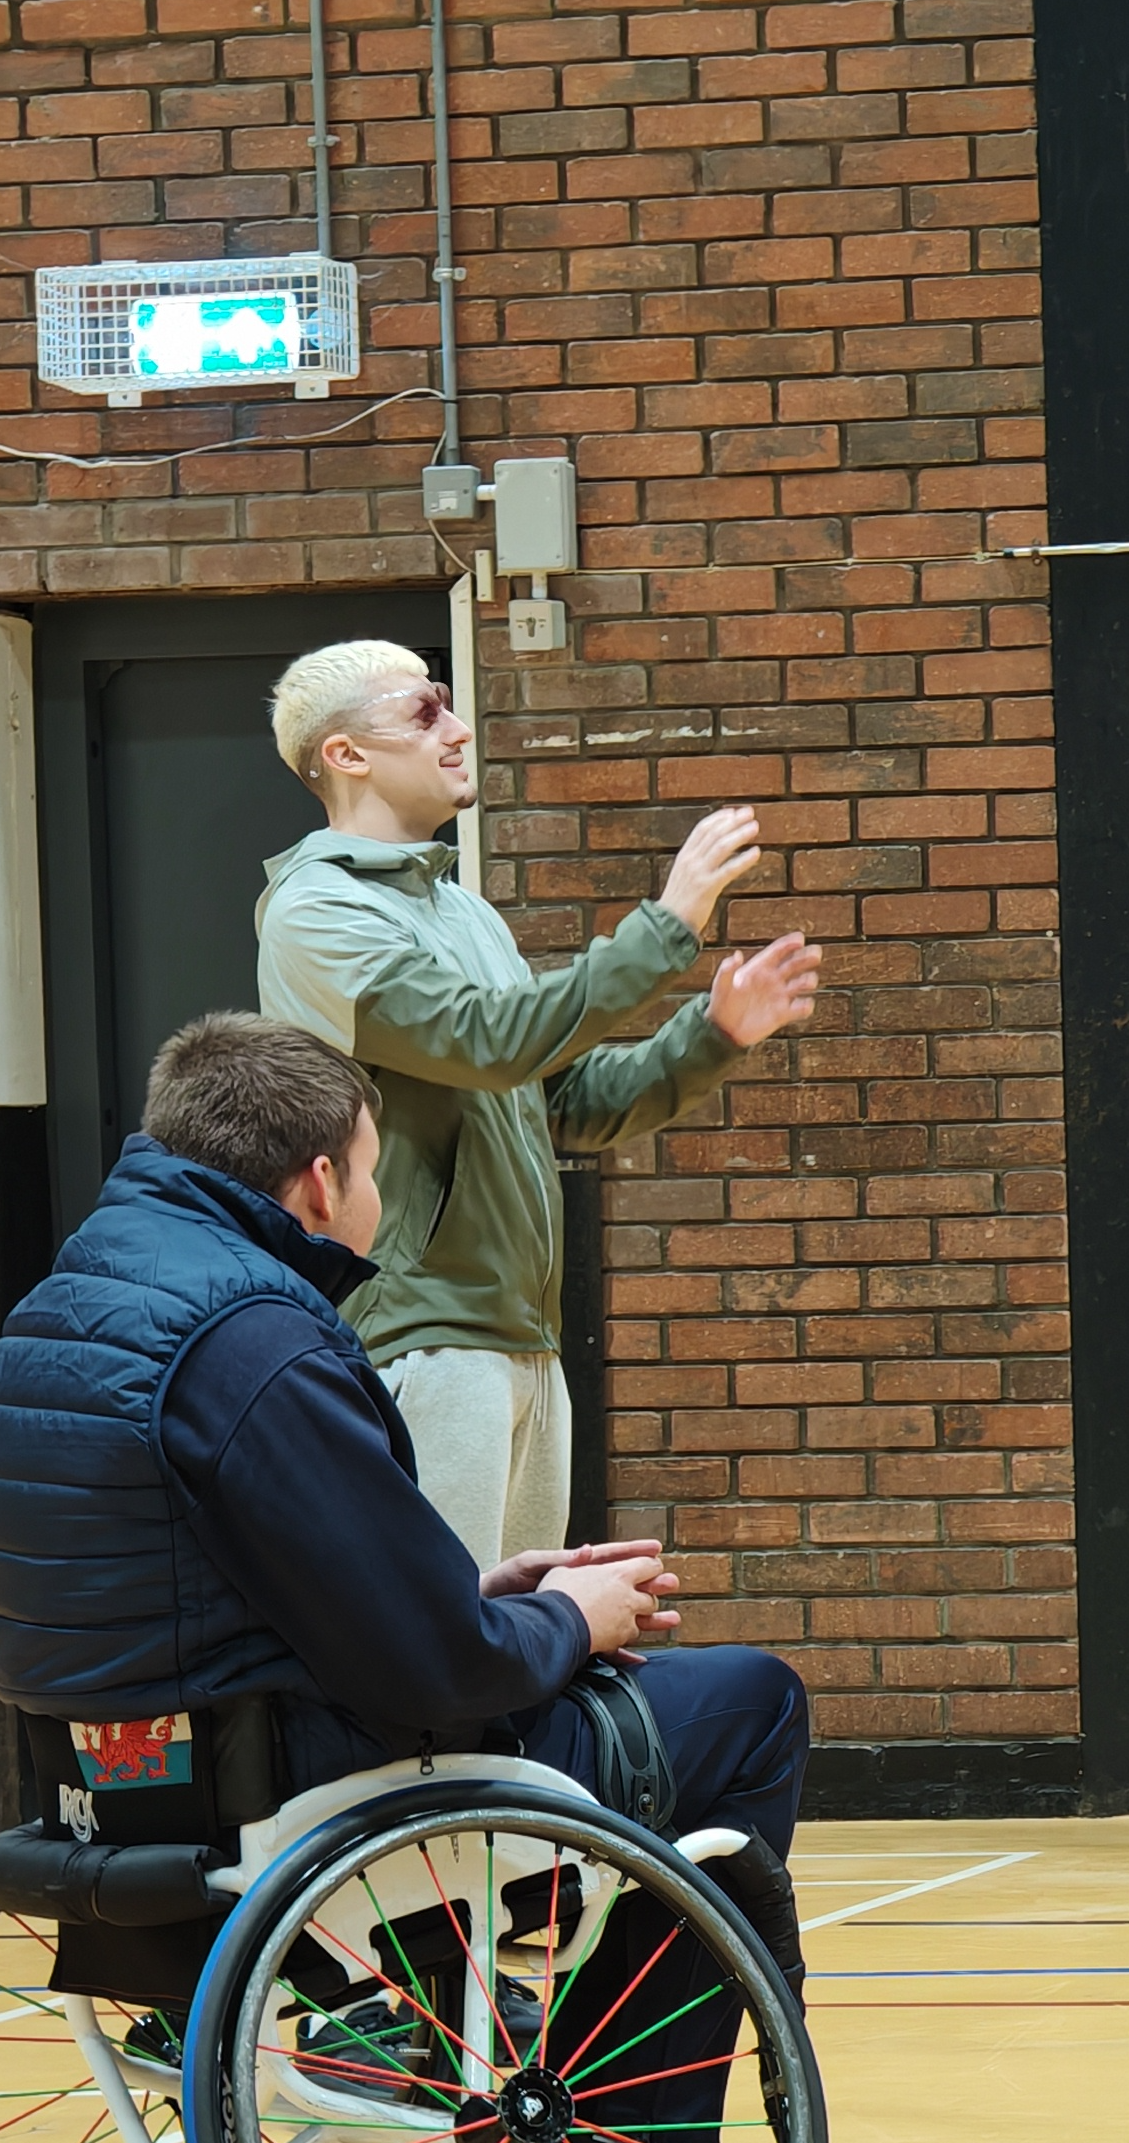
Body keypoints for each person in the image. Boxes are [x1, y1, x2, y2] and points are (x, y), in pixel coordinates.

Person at [0, 1011, 866, 2143]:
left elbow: (222, 1589)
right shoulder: (253, 1338)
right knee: (744, 1708)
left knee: (565, 1672)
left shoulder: (64, 1314)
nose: (377, 1202)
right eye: (376, 1172)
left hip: (114, 1797)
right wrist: (575, 1623)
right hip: (299, 1797)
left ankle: (463, 2012)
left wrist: (496, 1586)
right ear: (321, 1179)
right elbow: (438, 1675)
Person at [253, 640, 821, 1566]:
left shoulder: (465, 914)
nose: (460, 726)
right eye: (426, 709)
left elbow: (565, 1104)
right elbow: (489, 1039)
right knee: (440, 1646)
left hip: (522, 1331)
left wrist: (713, 1034)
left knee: (512, 1650)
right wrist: (666, 925)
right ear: (346, 754)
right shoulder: (316, 911)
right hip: (424, 1332)